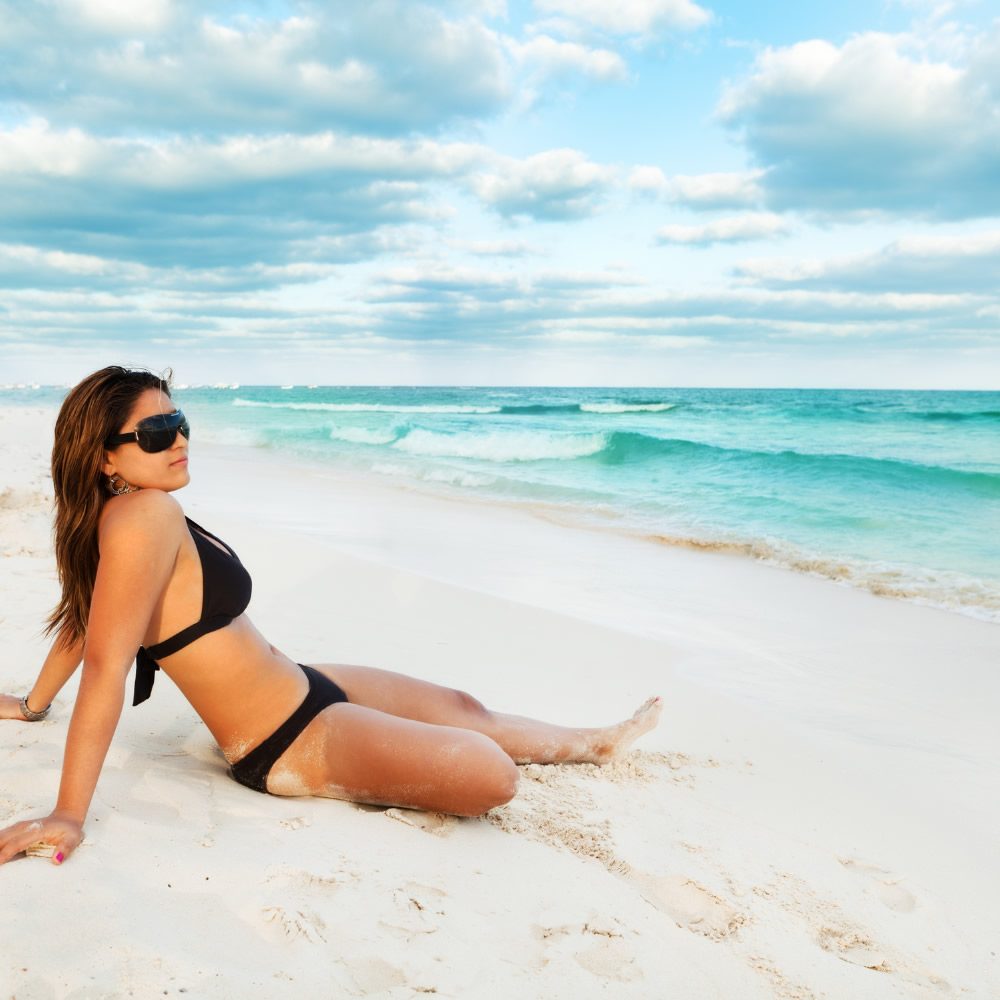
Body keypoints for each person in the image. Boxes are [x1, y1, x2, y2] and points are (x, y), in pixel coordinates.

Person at [0, 366, 662, 866]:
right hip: (285, 739)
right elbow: (107, 662)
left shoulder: (131, 515)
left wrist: (33, 704)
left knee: (461, 705)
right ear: (103, 455)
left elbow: (84, 621)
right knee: (490, 775)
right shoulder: (143, 517)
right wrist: (68, 813)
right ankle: (516, 749)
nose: (177, 441)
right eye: (155, 432)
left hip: (301, 682)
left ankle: (592, 743)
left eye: (180, 424)